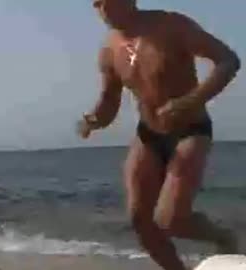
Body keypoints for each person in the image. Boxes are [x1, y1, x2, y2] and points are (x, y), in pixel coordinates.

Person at [79, 1, 241, 269]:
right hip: (149, 135)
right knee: (139, 220)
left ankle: (223, 237)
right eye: (96, 4)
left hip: (190, 131)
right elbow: (109, 102)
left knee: (171, 220)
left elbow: (228, 61)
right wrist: (94, 120)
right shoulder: (110, 51)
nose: (101, 10)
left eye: (106, 2)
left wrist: (188, 102)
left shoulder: (171, 25)